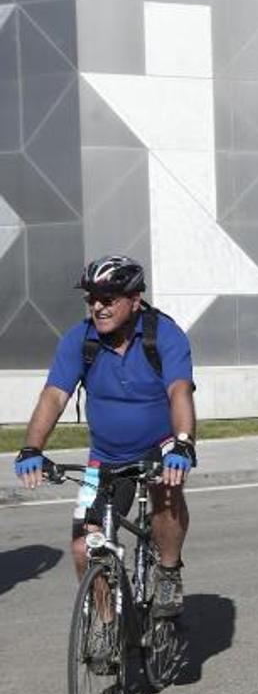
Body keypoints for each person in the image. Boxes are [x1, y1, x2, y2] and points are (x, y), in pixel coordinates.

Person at [14, 255, 196, 657]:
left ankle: (167, 571)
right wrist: (33, 447)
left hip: (159, 445)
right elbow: (54, 396)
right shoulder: (80, 341)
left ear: (134, 299)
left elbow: (179, 391)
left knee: (167, 488)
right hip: (106, 457)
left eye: (109, 298)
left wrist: (183, 443)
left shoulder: (163, 335)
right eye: (93, 298)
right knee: (84, 547)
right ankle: (107, 624)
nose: (98, 306)